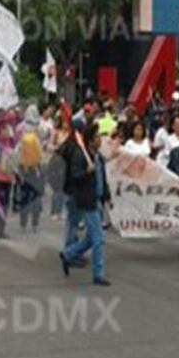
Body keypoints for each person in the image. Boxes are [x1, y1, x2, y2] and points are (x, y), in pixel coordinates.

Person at [58, 122, 111, 286]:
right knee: (98, 239)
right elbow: (75, 177)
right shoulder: (80, 155)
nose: (100, 140)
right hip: (87, 200)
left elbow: (103, 179)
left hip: (97, 199)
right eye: (97, 137)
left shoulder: (98, 157)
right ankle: (98, 274)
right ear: (90, 140)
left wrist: (107, 196)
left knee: (90, 239)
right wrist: (86, 172)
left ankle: (68, 254)